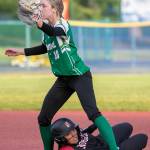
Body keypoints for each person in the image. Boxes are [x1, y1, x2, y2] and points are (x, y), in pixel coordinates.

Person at [5, 0, 119, 150]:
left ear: (54, 9)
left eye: (43, 5)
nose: (40, 8)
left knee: (92, 112)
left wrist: (40, 24)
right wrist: (21, 52)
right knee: (43, 118)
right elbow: (45, 47)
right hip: (63, 80)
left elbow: (54, 32)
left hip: (79, 75)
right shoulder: (46, 31)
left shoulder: (62, 24)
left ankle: (114, 148)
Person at [51, 118, 148, 150]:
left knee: (127, 126)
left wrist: (96, 124)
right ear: (61, 139)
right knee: (142, 138)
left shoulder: (75, 134)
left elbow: (84, 132)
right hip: (107, 149)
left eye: (73, 130)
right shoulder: (68, 149)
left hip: (101, 141)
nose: (74, 134)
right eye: (68, 134)